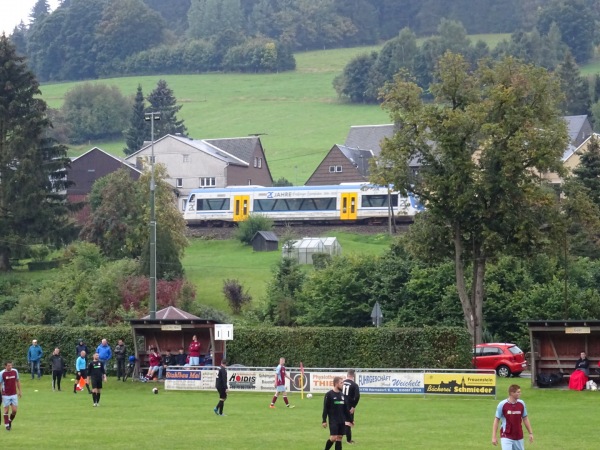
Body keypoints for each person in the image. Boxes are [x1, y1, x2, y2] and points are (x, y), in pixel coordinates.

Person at [492, 384, 534, 449]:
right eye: (518, 392)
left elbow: (525, 418)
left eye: (520, 392)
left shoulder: (521, 403)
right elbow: (496, 420)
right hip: (506, 435)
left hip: (518, 436)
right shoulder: (502, 404)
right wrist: (494, 436)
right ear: (512, 393)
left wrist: (530, 433)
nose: (520, 393)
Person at [322, 376, 352, 450]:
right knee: (333, 438)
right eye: (341, 383)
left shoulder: (342, 395)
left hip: (342, 420)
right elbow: (325, 408)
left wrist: (350, 420)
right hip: (333, 420)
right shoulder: (329, 394)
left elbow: (345, 409)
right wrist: (324, 420)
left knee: (339, 438)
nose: (343, 384)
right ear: (336, 383)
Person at [0, 361, 22, 431]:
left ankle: (9, 421)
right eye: (9, 366)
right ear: (5, 366)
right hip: (5, 394)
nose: (10, 367)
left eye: (11, 365)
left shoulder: (15, 371)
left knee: (14, 411)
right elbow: (0, 384)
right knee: (6, 411)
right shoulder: (2, 373)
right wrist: (0, 394)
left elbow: (18, 381)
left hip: (14, 394)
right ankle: (7, 426)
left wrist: (20, 391)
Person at [342, 369, 360, 445]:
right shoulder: (354, 385)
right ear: (353, 376)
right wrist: (353, 406)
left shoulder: (341, 383)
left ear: (347, 375)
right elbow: (357, 396)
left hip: (340, 404)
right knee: (348, 423)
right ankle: (348, 440)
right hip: (348, 406)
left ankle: (336, 437)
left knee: (340, 421)